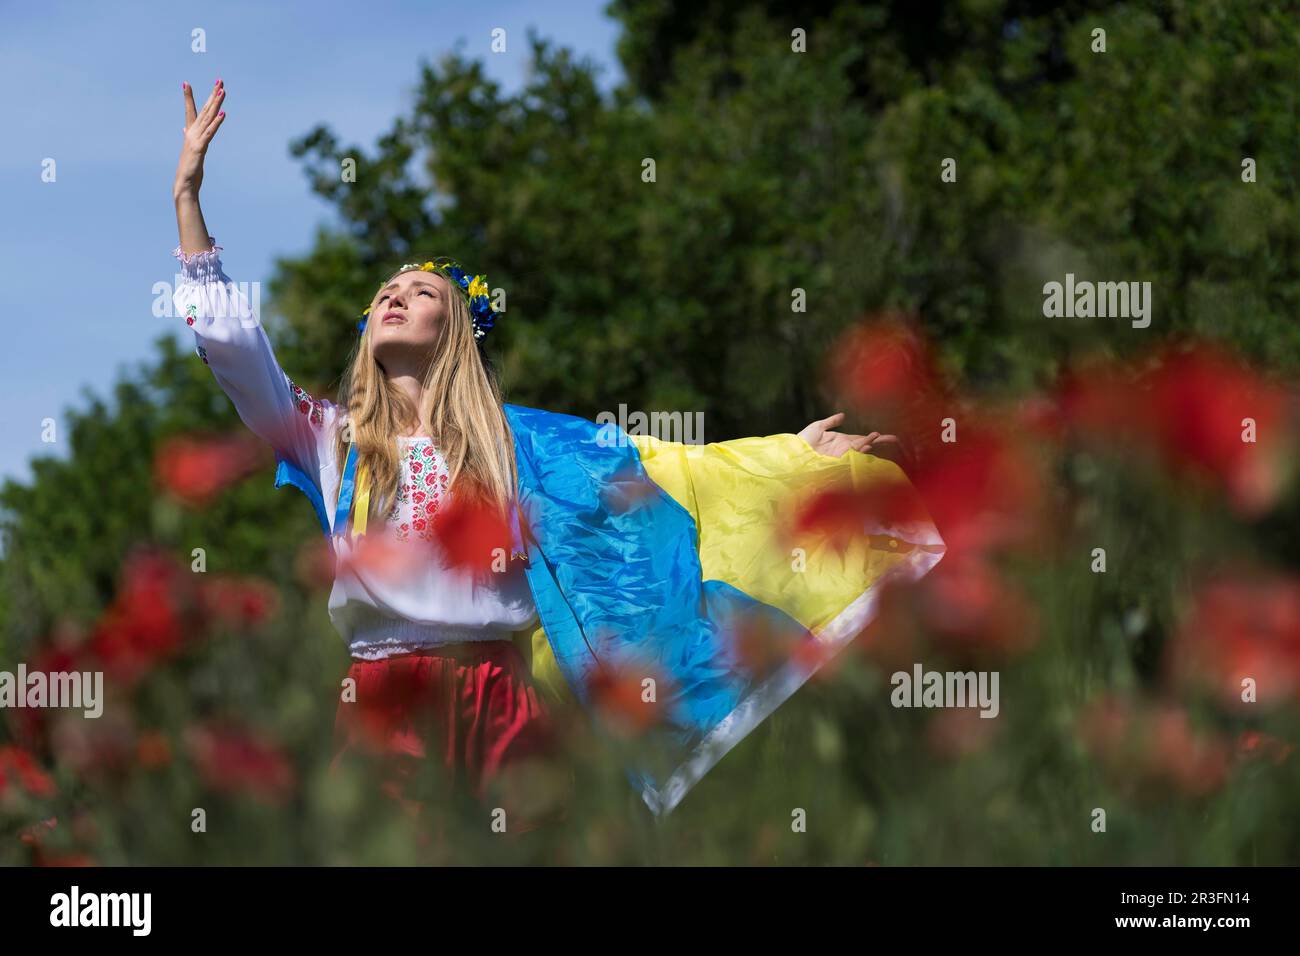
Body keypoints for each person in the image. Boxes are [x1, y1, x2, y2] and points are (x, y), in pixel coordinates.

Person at [170, 78, 945, 828]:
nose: (393, 297)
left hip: (500, 695)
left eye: (421, 291)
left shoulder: (521, 443)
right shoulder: (330, 438)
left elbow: (661, 467)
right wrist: (188, 201)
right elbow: (237, 352)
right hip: (387, 697)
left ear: (457, 330)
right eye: (383, 295)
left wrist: (793, 453)